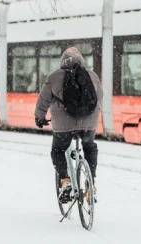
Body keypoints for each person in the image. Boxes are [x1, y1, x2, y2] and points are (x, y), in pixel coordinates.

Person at [34, 46, 103, 203]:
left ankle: (65, 181)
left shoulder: (54, 76)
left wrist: (39, 117)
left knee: (58, 150)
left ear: (62, 60)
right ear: (81, 60)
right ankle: (91, 183)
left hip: (63, 124)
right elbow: (99, 98)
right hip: (88, 122)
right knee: (90, 146)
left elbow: (43, 101)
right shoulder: (92, 76)